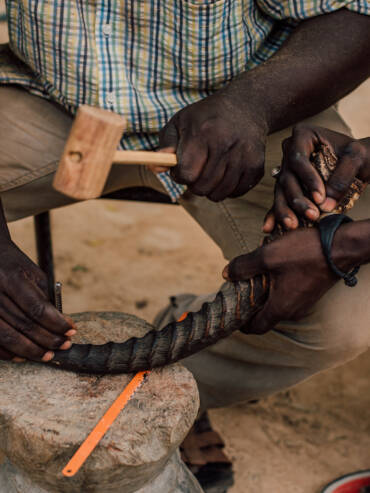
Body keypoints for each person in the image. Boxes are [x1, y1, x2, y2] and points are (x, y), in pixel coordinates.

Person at [0, 1, 369, 490]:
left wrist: (252, 103)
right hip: (51, 95)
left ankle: (161, 385)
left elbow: (357, 11)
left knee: (343, 315)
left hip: (250, 102)